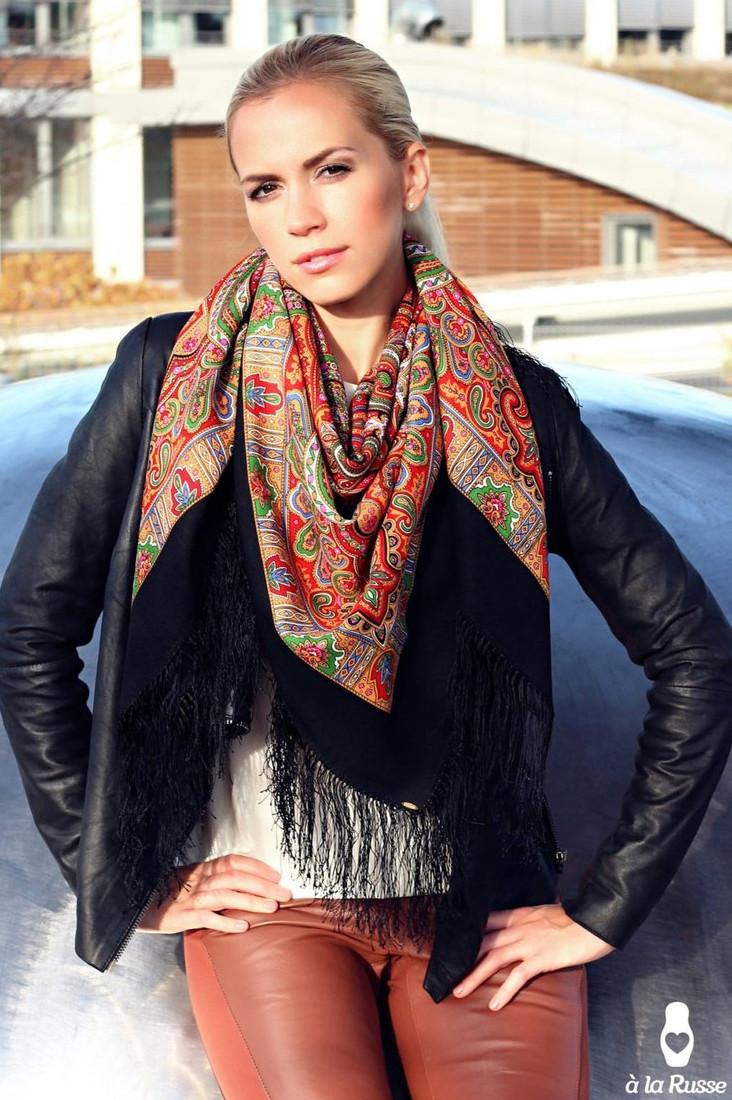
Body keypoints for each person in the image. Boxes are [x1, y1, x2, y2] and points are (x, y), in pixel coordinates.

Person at [1, 31, 731, 1100]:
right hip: (272, 903)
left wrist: (602, 908)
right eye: (266, 186)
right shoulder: (170, 376)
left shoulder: (512, 403)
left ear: (410, 171)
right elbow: (30, 624)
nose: (301, 215)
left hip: (478, 898)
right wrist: (122, 873)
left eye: (332, 169)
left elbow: (695, 651)